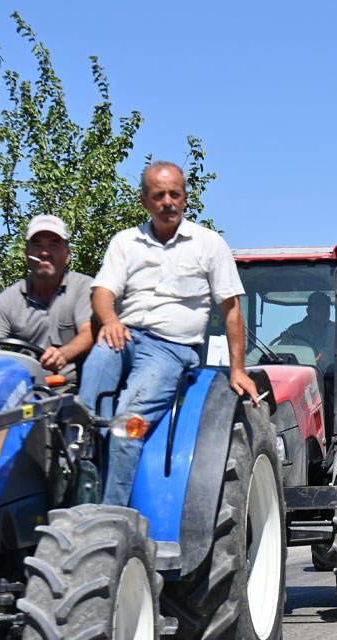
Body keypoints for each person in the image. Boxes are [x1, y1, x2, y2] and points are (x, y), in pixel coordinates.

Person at [80, 161, 259, 507]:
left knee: (126, 425)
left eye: (174, 194)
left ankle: (109, 517)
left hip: (171, 348)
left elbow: (232, 311)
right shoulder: (126, 242)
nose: (167, 202)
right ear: (145, 201)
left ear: (185, 198)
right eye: (158, 195)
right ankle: (78, 490)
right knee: (83, 416)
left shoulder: (208, 244)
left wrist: (237, 369)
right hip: (124, 336)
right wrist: (110, 319)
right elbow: (102, 293)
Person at [0, 214, 94, 388]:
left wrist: (63, 354)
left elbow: (89, 333)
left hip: (77, 389)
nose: (44, 252)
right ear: (27, 255)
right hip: (24, 393)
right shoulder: (7, 300)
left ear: (67, 255)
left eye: (54, 245)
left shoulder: (84, 287)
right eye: (37, 245)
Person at [278, 291, 333, 363]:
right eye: (318, 308)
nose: (324, 313)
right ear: (308, 311)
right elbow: (282, 357)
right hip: (300, 373)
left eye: (327, 309)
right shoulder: (294, 332)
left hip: (332, 374)